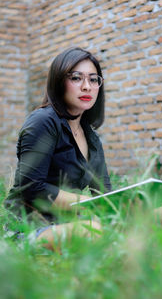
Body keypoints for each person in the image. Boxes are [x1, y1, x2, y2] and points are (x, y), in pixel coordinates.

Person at [6, 47, 111, 250]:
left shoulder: (91, 138)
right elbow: (32, 189)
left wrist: (131, 202)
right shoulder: (43, 122)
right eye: (76, 78)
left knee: (154, 213)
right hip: (29, 228)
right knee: (89, 231)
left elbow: (104, 193)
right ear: (59, 82)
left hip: (68, 224)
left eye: (93, 79)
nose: (86, 86)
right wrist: (88, 203)